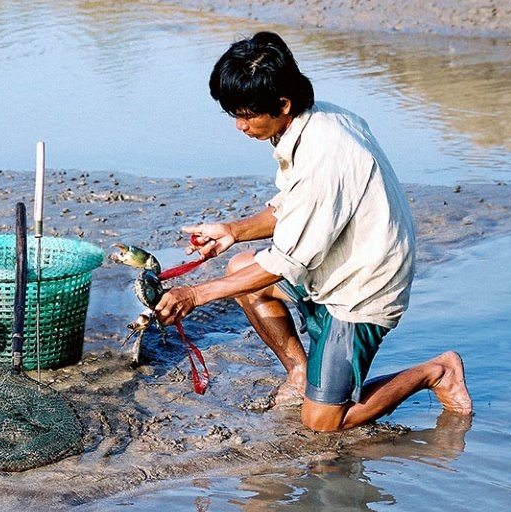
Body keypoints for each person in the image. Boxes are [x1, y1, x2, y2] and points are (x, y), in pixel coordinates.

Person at [153, 31, 473, 432]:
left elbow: (285, 262)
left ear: (283, 104)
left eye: (247, 114)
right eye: (233, 114)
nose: (239, 126)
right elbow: (291, 210)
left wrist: (195, 294)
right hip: (331, 268)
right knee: (240, 269)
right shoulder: (314, 121)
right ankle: (303, 375)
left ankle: (435, 372)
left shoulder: (326, 150)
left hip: (360, 289)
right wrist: (232, 230)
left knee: (322, 423)